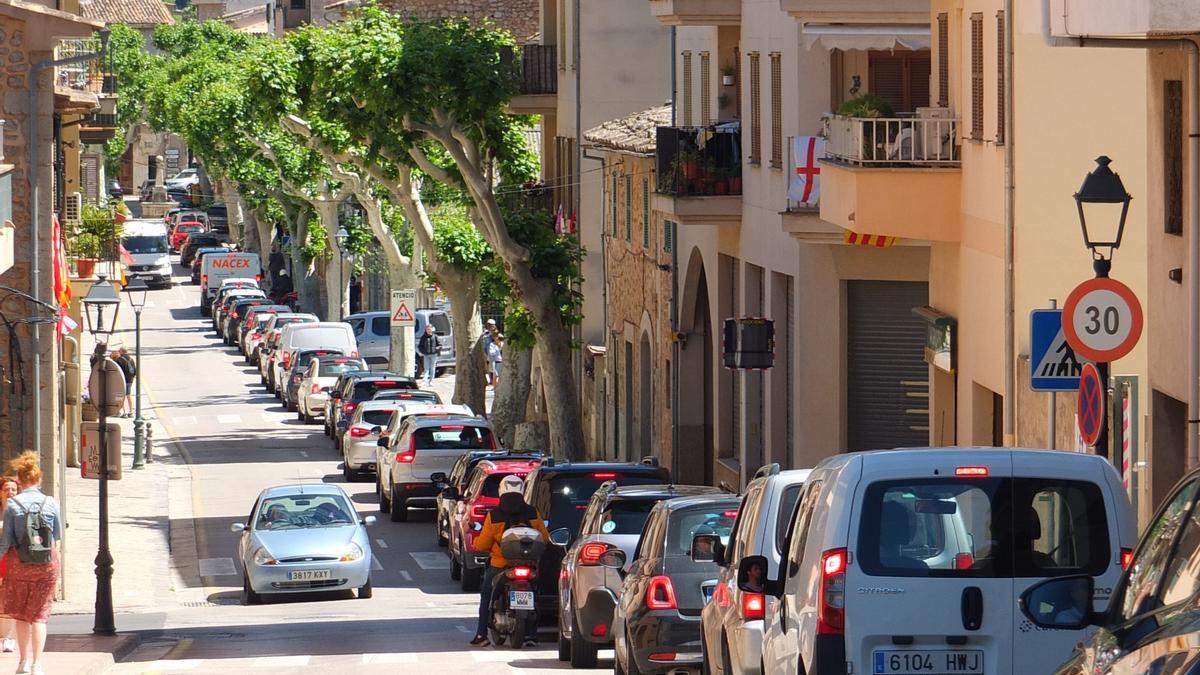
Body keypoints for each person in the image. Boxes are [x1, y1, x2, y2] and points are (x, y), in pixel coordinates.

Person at [0, 452, 62, 675]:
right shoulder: (51, 503)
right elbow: (56, 535)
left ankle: (23, 662)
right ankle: (38, 664)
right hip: (47, 564)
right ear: (38, 479)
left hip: (20, 565)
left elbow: (6, 541)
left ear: (20, 478)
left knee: (21, 615)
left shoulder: (13, 505)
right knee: (39, 615)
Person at [470, 474, 549, 648]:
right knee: (535, 595)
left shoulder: (494, 515)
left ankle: (481, 634)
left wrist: (476, 544)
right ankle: (531, 635)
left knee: (487, 596)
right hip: (529, 565)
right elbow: (544, 537)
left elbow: (483, 543)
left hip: (500, 565)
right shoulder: (532, 512)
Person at [0, 476, 18, 653]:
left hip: (12, 558)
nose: (10, 492)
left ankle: (9, 638)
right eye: (6, 489)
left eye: (13, 489)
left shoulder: (19, 510)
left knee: (9, 598)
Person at [115, 347, 136, 418]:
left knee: (120, 395)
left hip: (122, 380)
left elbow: (117, 371)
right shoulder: (131, 359)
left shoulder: (119, 360)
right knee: (129, 395)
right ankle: (131, 412)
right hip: (130, 380)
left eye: (119, 351)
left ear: (121, 352)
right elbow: (135, 370)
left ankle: (123, 412)